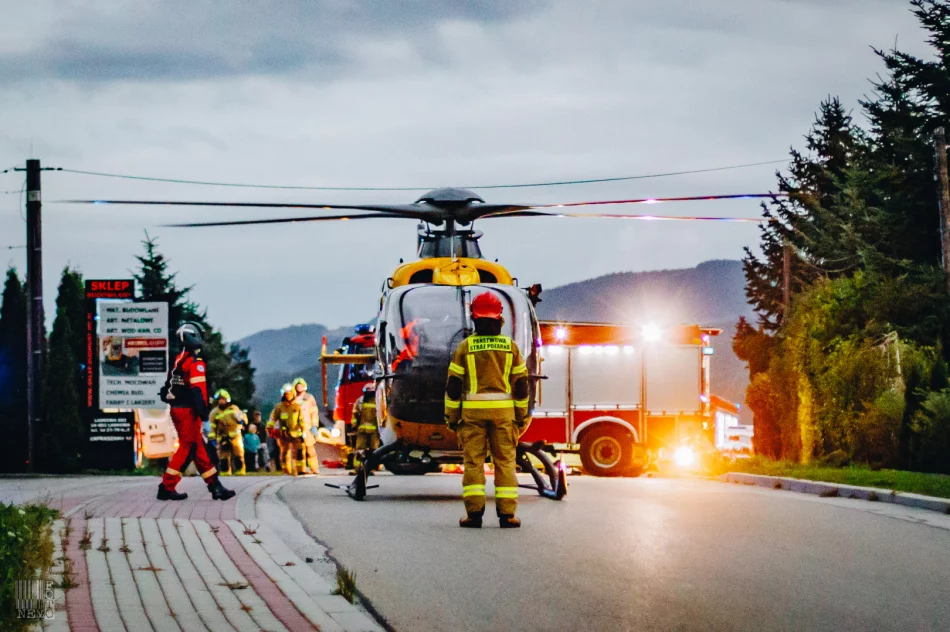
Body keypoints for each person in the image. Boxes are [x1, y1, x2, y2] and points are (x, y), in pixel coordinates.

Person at [444, 292, 530, 529]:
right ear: (500, 318)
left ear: (474, 317)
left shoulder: (465, 348)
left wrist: (452, 417)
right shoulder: (511, 347)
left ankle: (474, 515)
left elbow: (453, 387)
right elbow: (521, 387)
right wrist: (521, 416)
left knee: (473, 462)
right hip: (504, 416)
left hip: (472, 416)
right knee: (505, 462)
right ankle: (507, 515)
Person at [157, 322, 235, 501]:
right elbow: (198, 392)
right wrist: (204, 417)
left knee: (198, 449)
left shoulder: (178, 359)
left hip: (176, 409)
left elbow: (167, 388)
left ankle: (215, 487)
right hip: (188, 412)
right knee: (186, 448)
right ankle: (166, 486)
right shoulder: (195, 363)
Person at [269, 383, 305, 476]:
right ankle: (286, 471)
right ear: (283, 395)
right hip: (283, 434)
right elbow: (273, 418)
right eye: (286, 393)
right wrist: (269, 428)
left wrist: (303, 430)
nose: (288, 395)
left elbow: (301, 419)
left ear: (293, 393)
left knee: (299, 451)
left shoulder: (297, 406)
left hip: (296, 434)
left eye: (290, 393)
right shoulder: (279, 407)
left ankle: (300, 470)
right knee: (284, 453)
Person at [209, 389, 246, 476]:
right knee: (223, 456)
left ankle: (239, 470)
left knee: (238, 454)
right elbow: (212, 426)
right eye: (219, 399)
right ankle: (225, 471)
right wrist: (212, 438)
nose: (221, 401)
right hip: (222, 437)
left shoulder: (234, 408)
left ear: (227, 399)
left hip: (235, 437)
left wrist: (242, 421)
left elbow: (242, 417)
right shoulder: (214, 412)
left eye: (223, 399)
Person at [292, 378, 321, 475]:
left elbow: (314, 412)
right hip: (296, 428)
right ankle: (300, 469)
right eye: (297, 386)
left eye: (301, 386)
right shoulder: (292, 397)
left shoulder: (309, 398)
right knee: (299, 450)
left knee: (310, 449)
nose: (299, 388)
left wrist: (314, 425)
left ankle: (314, 468)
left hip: (307, 427)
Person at [350, 384, 379, 470]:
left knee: (371, 451)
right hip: (367, 432)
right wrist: (354, 425)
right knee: (363, 450)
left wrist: (354, 426)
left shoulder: (376, 401)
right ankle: (360, 468)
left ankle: (366, 468)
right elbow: (355, 414)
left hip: (368, 432)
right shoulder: (361, 401)